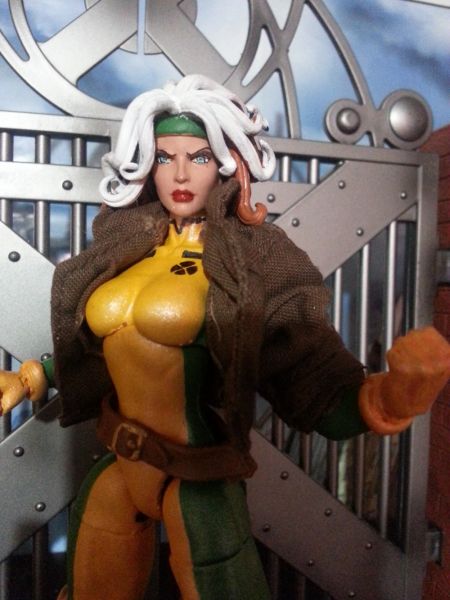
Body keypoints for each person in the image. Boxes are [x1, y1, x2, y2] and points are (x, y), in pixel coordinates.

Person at [0, 75, 449, 600]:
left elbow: (309, 371)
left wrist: (392, 397)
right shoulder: (126, 246)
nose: (181, 173)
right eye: (165, 157)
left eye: (200, 157)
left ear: (227, 163)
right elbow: (104, 350)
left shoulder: (253, 259)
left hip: (197, 481)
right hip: (120, 469)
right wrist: (30, 378)